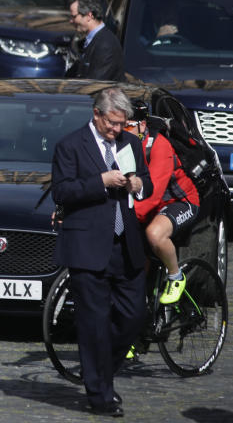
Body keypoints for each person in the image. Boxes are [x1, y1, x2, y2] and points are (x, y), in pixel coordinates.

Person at [51, 87, 152, 416]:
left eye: (122, 124)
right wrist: (101, 181)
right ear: (96, 114)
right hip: (88, 245)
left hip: (126, 244)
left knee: (134, 316)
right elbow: (62, 191)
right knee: (93, 323)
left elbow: (146, 182)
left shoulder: (130, 144)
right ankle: (100, 396)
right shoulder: (70, 145)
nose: (116, 130)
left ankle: (100, 374)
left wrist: (137, 185)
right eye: (111, 123)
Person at [126, 103, 199, 304]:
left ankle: (175, 276)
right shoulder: (119, 144)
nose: (121, 131)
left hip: (179, 201)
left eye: (127, 126)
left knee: (154, 234)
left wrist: (126, 217)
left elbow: (154, 195)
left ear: (142, 125)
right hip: (146, 206)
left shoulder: (159, 145)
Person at [66, 0, 125, 81]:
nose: (71, 21)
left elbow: (95, 84)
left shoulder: (105, 45)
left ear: (89, 16)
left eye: (74, 17)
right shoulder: (93, 40)